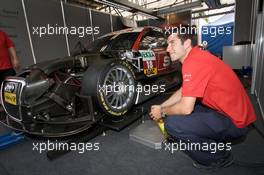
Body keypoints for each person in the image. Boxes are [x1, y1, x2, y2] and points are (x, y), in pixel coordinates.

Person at [149, 25, 256, 169]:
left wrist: (161, 112)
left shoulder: (194, 62)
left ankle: (217, 158)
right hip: (233, 114)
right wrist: (163, 106)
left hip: (237, 123)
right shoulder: (197, 56)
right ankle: (213, 143)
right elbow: (183, 91)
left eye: (172, 42)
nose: (168, 49)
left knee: (173, 124)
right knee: (182, 110)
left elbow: (186, 108)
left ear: (186, 43)